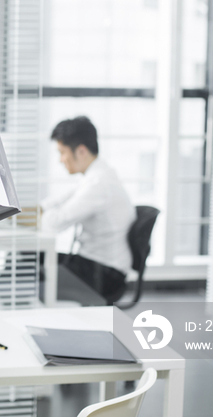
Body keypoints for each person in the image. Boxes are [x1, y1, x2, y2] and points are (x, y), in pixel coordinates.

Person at [41, 116, 135, 304]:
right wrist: (41, 210)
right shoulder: (95, 176)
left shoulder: (99, 183)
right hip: (94, 265)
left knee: (26, 270)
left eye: (62, 152)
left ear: (81, 151)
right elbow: (54, 204)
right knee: (25, 259)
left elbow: (54, 224)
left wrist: (42, 214)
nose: (61, 160)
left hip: (105, 276)